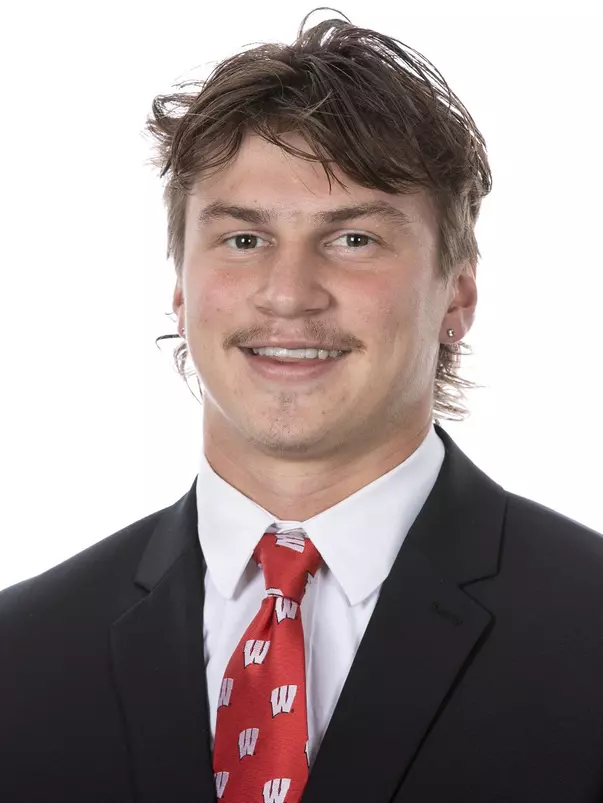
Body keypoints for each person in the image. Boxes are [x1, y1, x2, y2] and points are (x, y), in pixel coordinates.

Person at [1, 9, 602, 803]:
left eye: (353, 239)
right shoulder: (20, 652)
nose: (288, 294)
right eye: (243, 240)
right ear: (181, 286)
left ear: (456, 295)